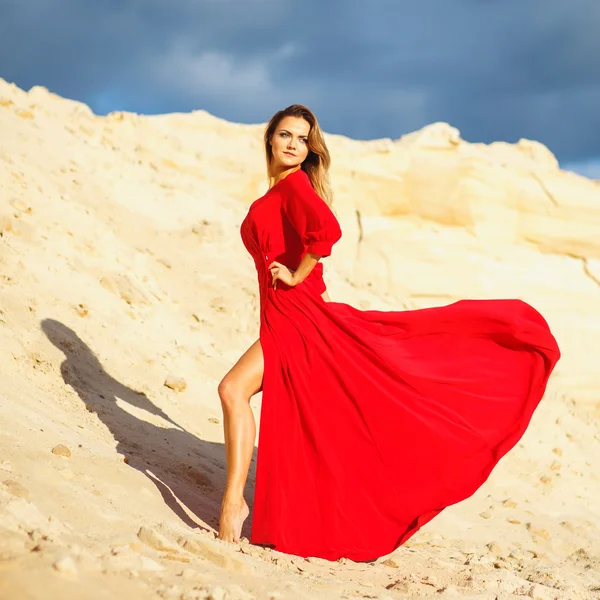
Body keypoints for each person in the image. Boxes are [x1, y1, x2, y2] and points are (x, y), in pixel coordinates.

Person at [216, 104, 560, 562]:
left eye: (301, 138)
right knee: (308, 418)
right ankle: (279, 507)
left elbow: (327, 232)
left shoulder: (296, 186)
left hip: (299, 318)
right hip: (282, 316)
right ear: (270, 140)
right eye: (285, 135)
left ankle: (232, 504)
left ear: (309, 149)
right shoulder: (277, 192)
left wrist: (298, 275)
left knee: (232, 388)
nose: (293, 144)